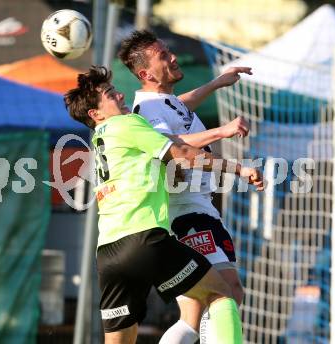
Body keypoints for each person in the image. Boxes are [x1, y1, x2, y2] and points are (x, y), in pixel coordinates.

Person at [64, 66, 264, 344]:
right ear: (95, 113)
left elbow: (176, 110)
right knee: (222, 293)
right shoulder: (127, 124)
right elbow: (180, 152)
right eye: (110, 94)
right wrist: (238, 169)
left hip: (109, 254)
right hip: (145, 239)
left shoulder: (99, 139)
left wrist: (215, 84)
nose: (120, 95)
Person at [118, 30, 253, 343]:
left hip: (196, 208)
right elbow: (172, 145)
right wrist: (222, 131)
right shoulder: (149, 111)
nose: (173, 57)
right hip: (186, 211)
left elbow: (180, 105)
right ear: (145, 73)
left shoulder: (162, 103)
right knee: (226, 292)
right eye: (163, 56)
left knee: (195, 311)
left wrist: (217, 82)